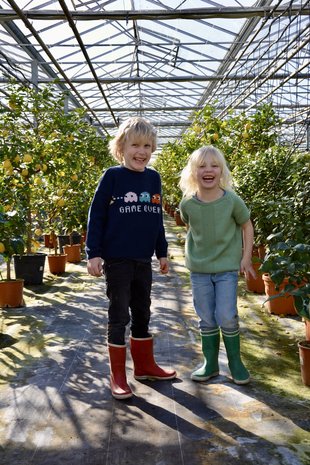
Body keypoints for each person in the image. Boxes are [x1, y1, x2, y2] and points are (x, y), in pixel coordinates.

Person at [86, 117, 176, 400]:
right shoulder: (112, 176)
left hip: (143, 259)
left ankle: (144, 366)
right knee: (118, 314)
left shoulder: (154, 178)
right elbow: (97, 215)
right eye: (135, 145)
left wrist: (162, 252)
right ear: (121, 148)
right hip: (117, 260)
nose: (142, 151)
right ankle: (118, 375)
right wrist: (94, 253)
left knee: (143, 311)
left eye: (147, 145)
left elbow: (157, 220)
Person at [179, 145, 256, 385]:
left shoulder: (231, 201)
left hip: (226, 270)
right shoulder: (187, 204)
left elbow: (247, 225)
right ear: (193, 172)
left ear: (221, 171)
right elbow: (190, 227)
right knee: (206, 318)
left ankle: (235, 362)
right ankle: (210, 363)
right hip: (199, 271)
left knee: (226, 315)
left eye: (214, 165)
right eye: (202, 166)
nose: (208, 170)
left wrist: (245, 257)